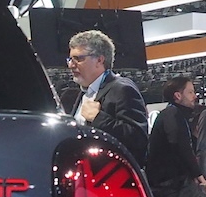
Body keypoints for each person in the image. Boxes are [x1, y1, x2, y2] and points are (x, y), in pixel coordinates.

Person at [144, 75, 206, 197]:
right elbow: (180, 146)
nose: (194, 96)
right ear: (177, 95)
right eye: (190, 92)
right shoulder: (172, 115)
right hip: (170, 191)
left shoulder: (173, 115)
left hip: (173, 189)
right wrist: (198, 174)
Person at [63, 29, 148, 164]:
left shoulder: (122, 89)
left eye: (78, 59)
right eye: (70, 59)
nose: (71, 65)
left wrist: (98, 118)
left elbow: (138, 139)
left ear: (99, 60)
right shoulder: (82, 94)